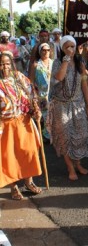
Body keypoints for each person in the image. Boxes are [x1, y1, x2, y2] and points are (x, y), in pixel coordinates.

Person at [47, 35, 88, 180]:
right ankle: (70, 167)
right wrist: (65, 62)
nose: (70, 49)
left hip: (78, 104)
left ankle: (77, 163)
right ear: (62, 48)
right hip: (61, 105)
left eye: (72, 46)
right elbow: (59, 77)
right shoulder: (57, 62)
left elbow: (84, 85)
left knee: (81, 135)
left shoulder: (80, 62)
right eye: (67, 47)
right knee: (64, 136)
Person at [0, 51, 42, 200]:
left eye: (6, 63)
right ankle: (14, 187)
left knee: (29, 152)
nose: (4, 67)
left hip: (24, 121)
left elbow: (32, 95)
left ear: (11, 64)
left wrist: (36, 110)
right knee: (10, 157)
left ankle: (29, 182)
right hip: (6, 125)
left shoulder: (19, 77)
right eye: (1, 64)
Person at [29, 43, 53, 141]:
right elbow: (30, 81)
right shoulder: (35, 64)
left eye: (48, 50)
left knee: (52, 114)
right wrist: (33, 93)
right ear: (40, 51)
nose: (46, 52)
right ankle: (45, 135)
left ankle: (51, 135)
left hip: (53, 93)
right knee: (44, 115)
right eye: (43, 50)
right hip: (41, 94)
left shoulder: (54, 63)